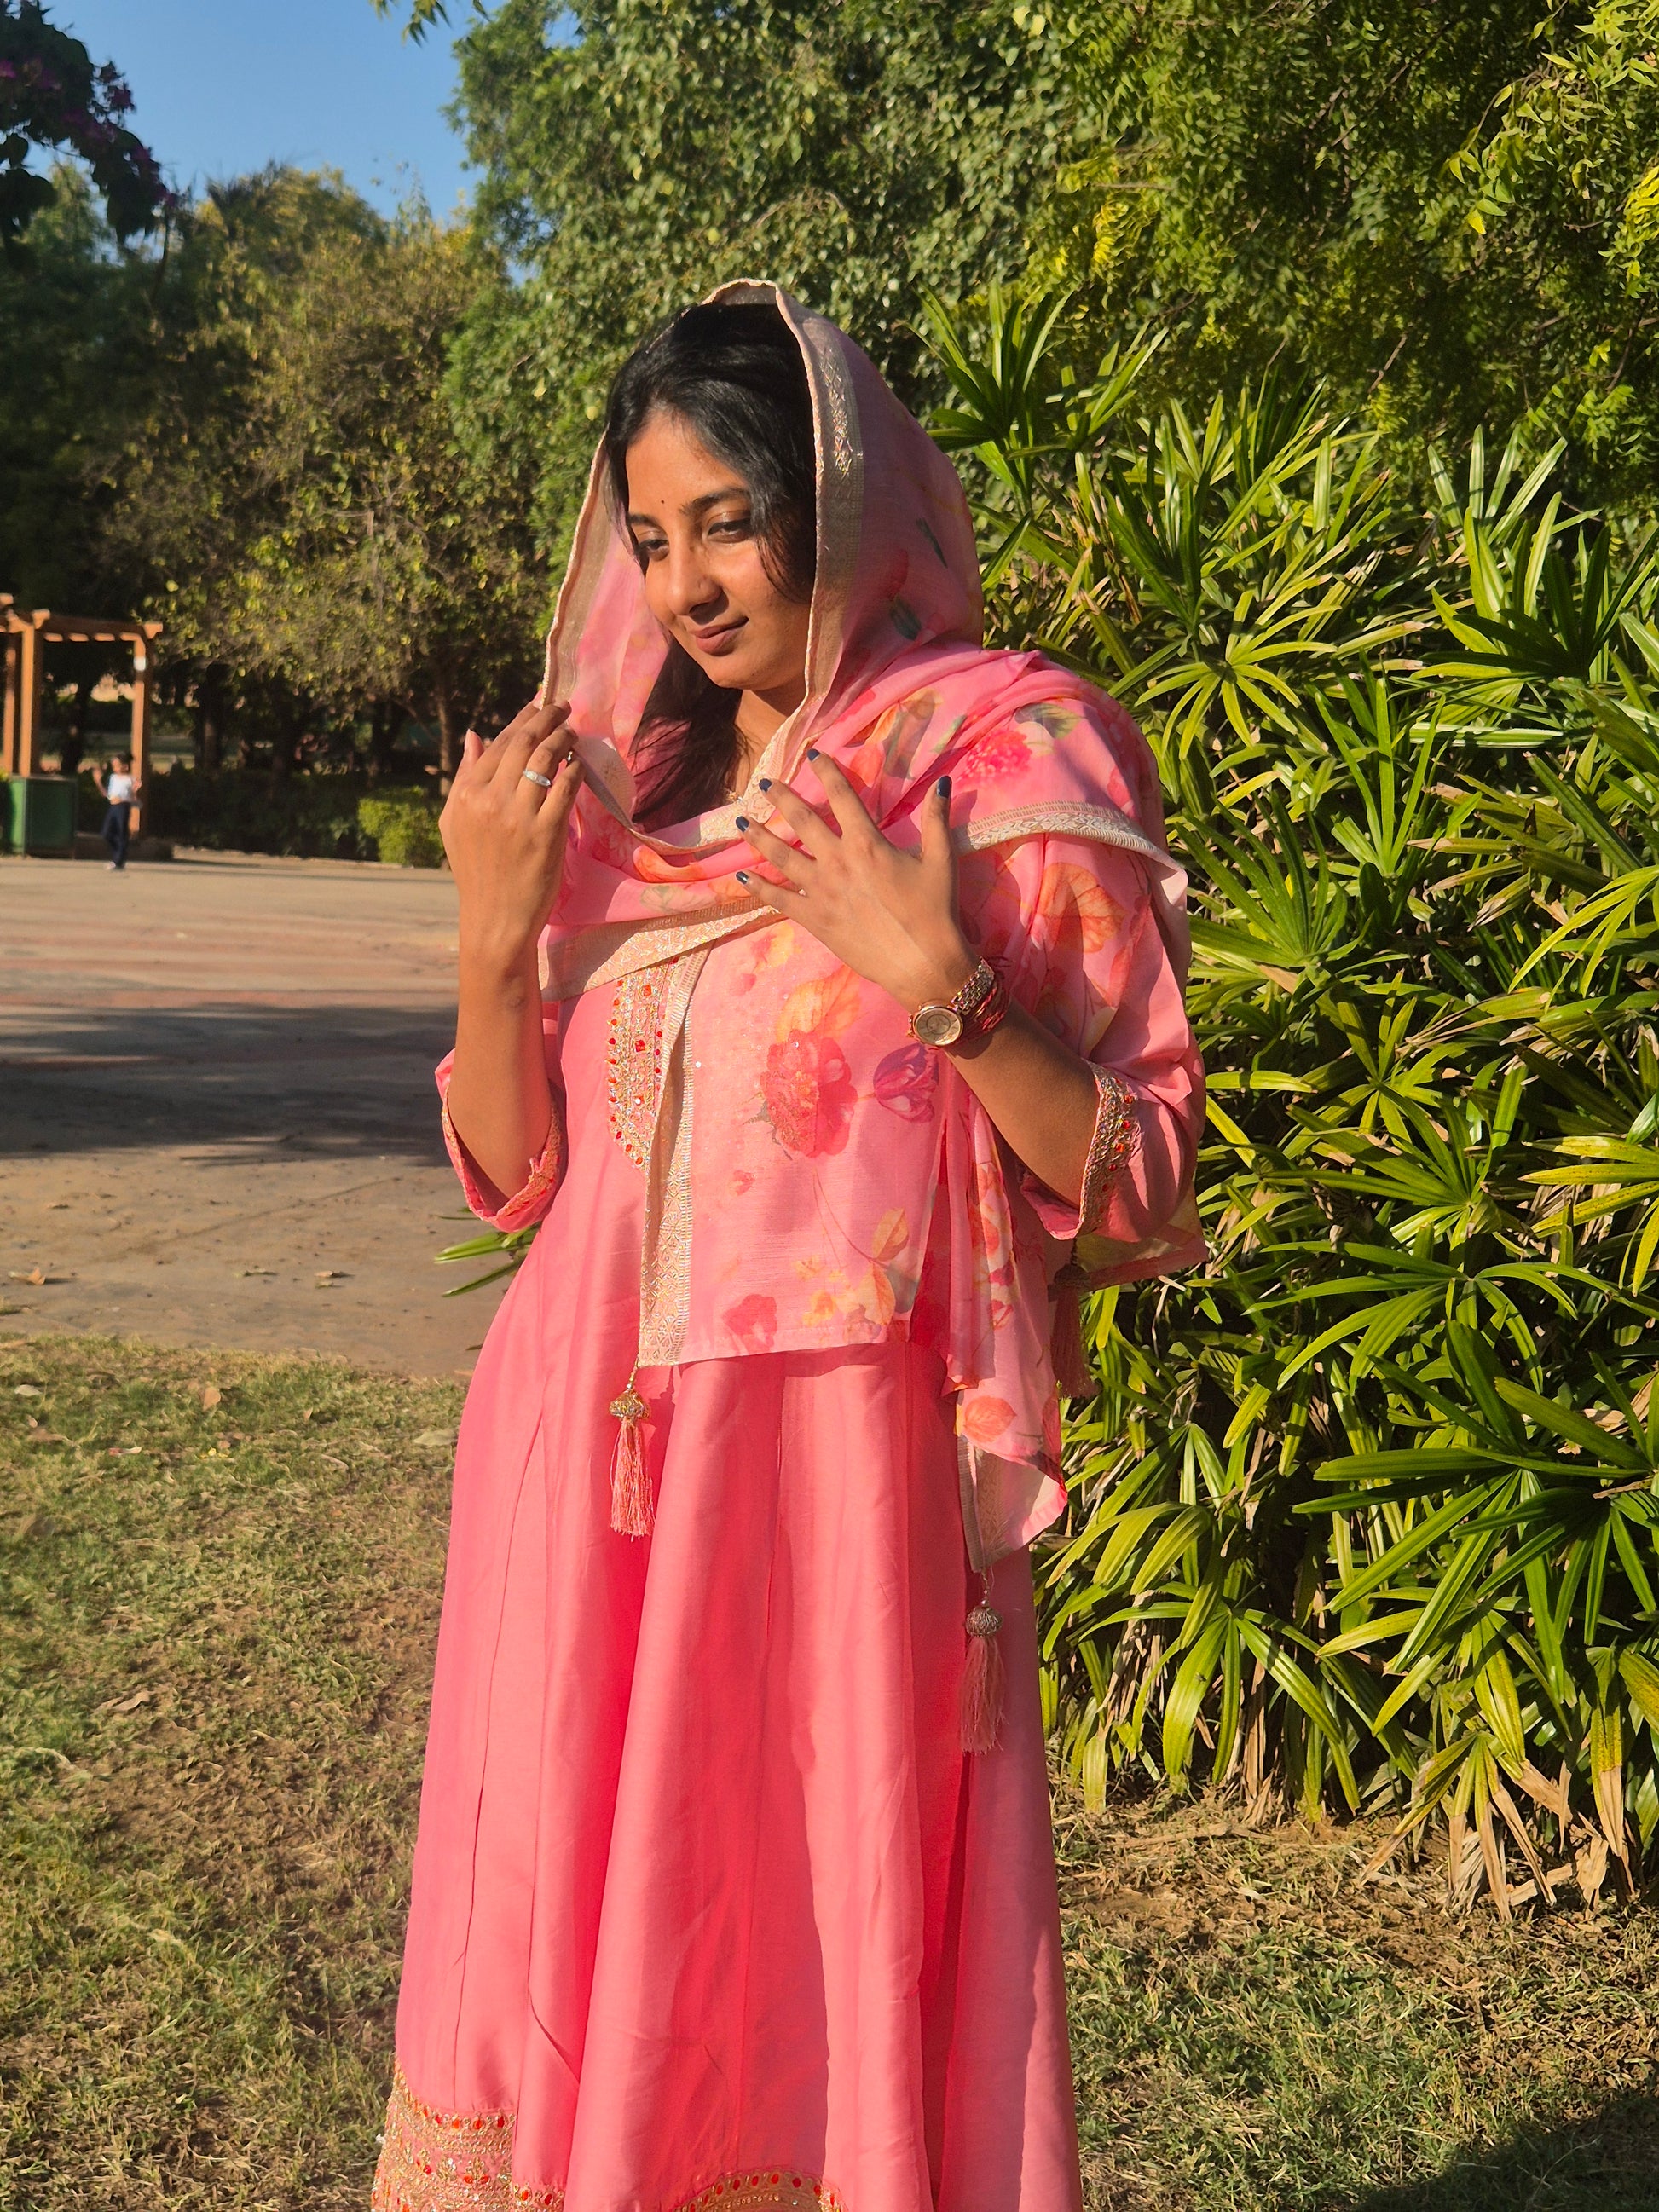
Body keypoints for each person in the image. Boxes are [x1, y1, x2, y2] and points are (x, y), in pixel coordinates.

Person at [373, 285, 1206, 2212]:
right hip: (579, 1461)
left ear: (838, 495)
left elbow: (1144, 1183)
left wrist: (943, 982)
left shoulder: (1005, 765)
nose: (686, 586)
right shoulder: (635, 803)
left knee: (802, 1956)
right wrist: (492, 934)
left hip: (838, 1480)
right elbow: (516, 1176)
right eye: (651, 537)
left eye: (729, 522)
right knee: (583, 1937)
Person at [93, 754, 137, 869]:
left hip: (123, 807)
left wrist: (135, 791)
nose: (115, 768)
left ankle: (118, 861)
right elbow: (106, 794)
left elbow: (134, 797)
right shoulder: (112, 778)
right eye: (114, 765)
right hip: (113, 807)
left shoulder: (130, 779)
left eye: (117, 765)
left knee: (121, 832)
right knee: (106, 833)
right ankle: (120, 852)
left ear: (125, 767)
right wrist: (98, 781)